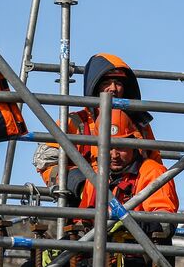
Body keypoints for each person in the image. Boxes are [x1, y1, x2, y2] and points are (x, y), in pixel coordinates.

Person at [25, 109, 178, 267]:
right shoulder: (96, 177)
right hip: (97, 253)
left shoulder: (152, 172)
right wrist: (61, 246)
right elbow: (83, 224)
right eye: (109, 147)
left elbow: (165, 223)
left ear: (134, 143)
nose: (114, 154)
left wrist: (126, 223)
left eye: (121, 146)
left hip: (134, 258)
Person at [32, 52, 158, 186]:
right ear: (95, 87)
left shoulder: (139, 124)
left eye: (118, 83)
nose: (113, 88)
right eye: (106, 83)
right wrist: (78, 184)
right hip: (89, 195)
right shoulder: (76, 122)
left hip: (131, 194)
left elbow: (155, 167)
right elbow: (47, 162)